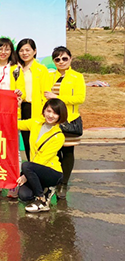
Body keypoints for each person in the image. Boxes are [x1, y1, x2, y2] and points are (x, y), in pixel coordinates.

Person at [44, 46, 85, 200]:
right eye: (57, 59)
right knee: (55, 152)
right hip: (52, 120)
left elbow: (80, 98)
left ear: (70, 59)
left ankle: (64, 184)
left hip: (69, 120)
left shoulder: (77, 77)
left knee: (67, 152)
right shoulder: (50, 76)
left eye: (64, 58)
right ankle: (55, 180)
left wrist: (57, 97)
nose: (61, 61)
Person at [17, 99, 67, 213]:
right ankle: (45, 190)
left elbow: (43, 159)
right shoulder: (36, 123)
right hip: (35, 169)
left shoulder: (59, 136)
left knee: (26, 165)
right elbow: (16, 124)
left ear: (60, 116)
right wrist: (18, 108)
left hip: (52, 172)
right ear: (44, 111)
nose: (51, 115)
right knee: (24, 195)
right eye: (48, 111)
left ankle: (42, 200)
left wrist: (26, 174)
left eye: (55, 113)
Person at [0, 38, 20, 199]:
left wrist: (20, 95)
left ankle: (14, 183)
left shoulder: (16, 68)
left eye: (7, 49)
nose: (3, 52)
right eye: (0, 49)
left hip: (10, 113)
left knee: (12, 149)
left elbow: (21, 88)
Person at [15, 39, 50, 161]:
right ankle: (31, 167)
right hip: (22, 108)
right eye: (21, 50)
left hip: (36, 108)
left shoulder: (41, 69)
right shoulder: (16, 69)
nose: (24, 53)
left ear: (34, 51)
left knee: (37, 142)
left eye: (27, 50)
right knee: (26, 141)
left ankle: (39, 167)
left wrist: (45, 112)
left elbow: (46, 93)